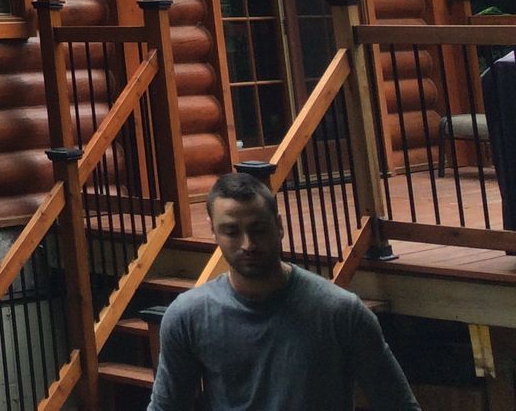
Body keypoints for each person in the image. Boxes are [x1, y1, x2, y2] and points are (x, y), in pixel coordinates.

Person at [146, 170, 419, 410]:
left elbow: (397, 403)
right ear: (214, 233)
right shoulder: (188, 316)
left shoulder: (341, 312)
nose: (247, 244)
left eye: (258, 229)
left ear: (279, 226)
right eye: (231, 231)